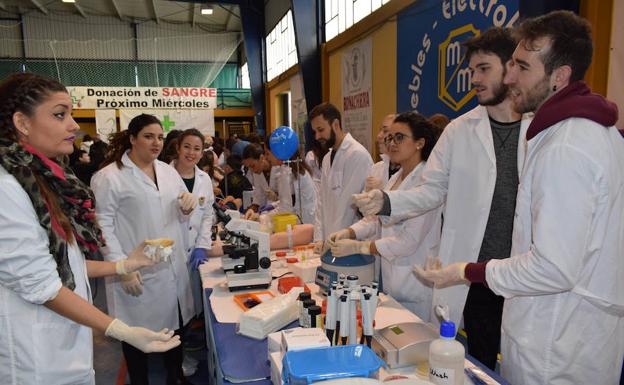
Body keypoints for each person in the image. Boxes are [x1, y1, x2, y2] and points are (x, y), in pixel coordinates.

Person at [413, 11, 624, 385]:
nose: (509, 78)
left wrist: (466, 271)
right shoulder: (591, 134)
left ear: (559, 77)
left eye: (522, 67)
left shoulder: (567, 147)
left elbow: (554, 268)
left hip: (553, 345)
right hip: (571, 334)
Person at [353, 27, 530, 370]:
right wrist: (386, 202)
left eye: (483, 69)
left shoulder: (537, 128)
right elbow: (431, 190)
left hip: (522, 274)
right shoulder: (459, 131)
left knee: (519, 365)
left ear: (511, 68)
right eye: (471, 69)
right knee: (477, 362)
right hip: (474, 275)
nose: (473, 78)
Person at [0, 73, 180, 385]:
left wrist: (123, 264)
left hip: (66, 350)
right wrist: (119, 328)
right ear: (22, 123)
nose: (74, 126)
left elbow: (62, 263)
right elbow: (41, 285)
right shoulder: (7, 188)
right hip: (36, 360)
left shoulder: (43, 181)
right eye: (60, 114)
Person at [91, 114, 198, 385]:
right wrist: (121, 267)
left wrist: (185, 207)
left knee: (173, 330)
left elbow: (176, 213)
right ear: (132, 138)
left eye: (160, 137)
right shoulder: (109, 177)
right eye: (148, 136)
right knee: (136, 336)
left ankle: (175, 377)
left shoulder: (167, 171)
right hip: (136, 270)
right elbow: (102, 226)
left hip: (170, 267)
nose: (156, 143)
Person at [330, 112, 442, 320]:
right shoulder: (396, 178)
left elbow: (408, 242)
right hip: (393, 281)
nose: (392, 143)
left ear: (419, 143)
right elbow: (376, 220)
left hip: (416, 284)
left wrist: (360, 247)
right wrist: (349, 232)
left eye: (400, 137)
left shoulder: (426, 184)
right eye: (389, 137)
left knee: (414, 347)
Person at [171, 128, 215, 377]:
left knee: (190, 309)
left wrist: (202, 245)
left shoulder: (204, 179)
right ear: (178, 147)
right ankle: (172, 358)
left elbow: (207, 214)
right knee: (173, 309)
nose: (191, 153)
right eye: (187, 147)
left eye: (197, 148)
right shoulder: (163, 174)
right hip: (169, 252)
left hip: (192, 253)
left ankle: (185, 352)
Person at [311, 102, 373, 250]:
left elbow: (347, 207)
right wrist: (319, 238)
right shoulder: (327, 158)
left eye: (320, 130)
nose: (317, 136)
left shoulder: (357, 154)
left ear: (336, 124)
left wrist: (334, 240)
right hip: (331, 241)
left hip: (349, 242)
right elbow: (321, 202)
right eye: (315, 132)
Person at [365, 113, 400, 192]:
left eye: (385, 131)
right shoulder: (376, 168)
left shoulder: (411, 170)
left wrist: (382, 190)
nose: (379, 136)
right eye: (380, 130)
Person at [241, 143, 275, 216]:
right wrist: (251, 209)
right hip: (270, 213)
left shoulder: (277, 169)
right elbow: (259, 195)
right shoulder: (256, 172)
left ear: (261, 158)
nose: (252, 170)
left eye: (252, 166)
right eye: (249, 167)